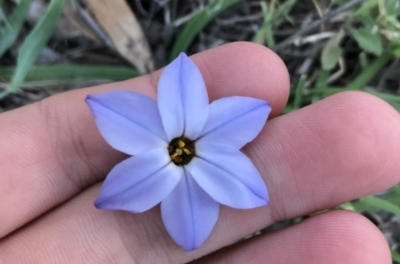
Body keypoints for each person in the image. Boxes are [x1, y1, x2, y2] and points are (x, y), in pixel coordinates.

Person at [0, 42, 398, 263]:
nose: (181, 150)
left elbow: (249, 120)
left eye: (182, 150)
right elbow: (116, 141)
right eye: (179, 151)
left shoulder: (224, 124)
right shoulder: (164, 110)